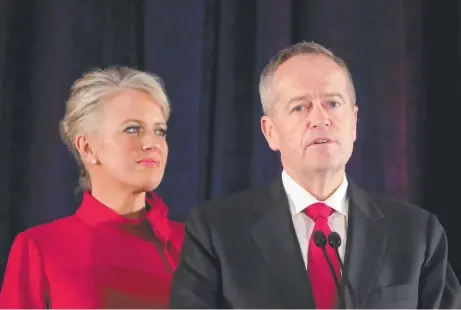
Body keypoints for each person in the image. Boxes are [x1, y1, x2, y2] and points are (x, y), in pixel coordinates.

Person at [169, 41, 461, 309]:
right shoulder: (216, 232)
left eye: (332, 104)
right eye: (300, 107)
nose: (320, 119)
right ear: (270, 132)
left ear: (354, 121)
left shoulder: (418, 233)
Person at [0, 67, 184, 308]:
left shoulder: (193, 246)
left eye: (159, 131)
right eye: (132, 129)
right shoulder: (40, 248)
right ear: (87, 148)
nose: (152, 143)